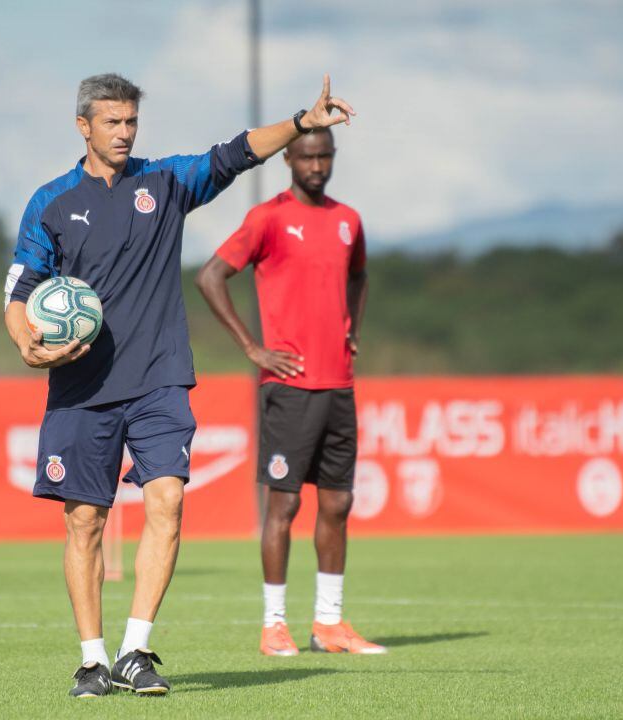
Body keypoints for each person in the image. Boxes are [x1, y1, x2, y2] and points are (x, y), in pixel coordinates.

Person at [3, 73, 355, 697]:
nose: (124, 132)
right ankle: (92, 660)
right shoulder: (50, 202)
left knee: (166, 500)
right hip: (80, 387)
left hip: (160, 379)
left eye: (131, 121)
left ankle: (136, 650)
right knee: (85, 521)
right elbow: (20, 293)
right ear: (83, 125)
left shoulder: (163, 182)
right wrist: (26, 341)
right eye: (112, 122)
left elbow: (237, 152)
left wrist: (301, 122)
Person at [195, 126, 385, 657]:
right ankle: (273, 625)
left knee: (339, 503)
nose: (317, 166)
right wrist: (252, 348)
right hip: (289, 387)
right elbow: (211, 276)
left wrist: (353, 329)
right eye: (307, 157)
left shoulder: (348, 221)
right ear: (289, 160)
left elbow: (360, 277)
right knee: (283, 506)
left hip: (338, 384)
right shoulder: (269, 218)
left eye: (325, 156)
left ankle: (329, 624)